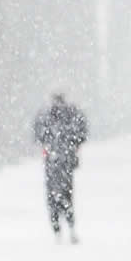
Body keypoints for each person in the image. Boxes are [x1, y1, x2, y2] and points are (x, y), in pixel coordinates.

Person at [33, 92, 88, 242]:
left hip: (52, 161)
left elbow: (38, 135)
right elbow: (81, 133)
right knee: (67, 193)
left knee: (52, 195)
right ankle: (69, 224)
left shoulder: (45, 116)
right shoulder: (72, 114)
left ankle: (56, 226)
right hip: (66, 161)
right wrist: (73, 147)